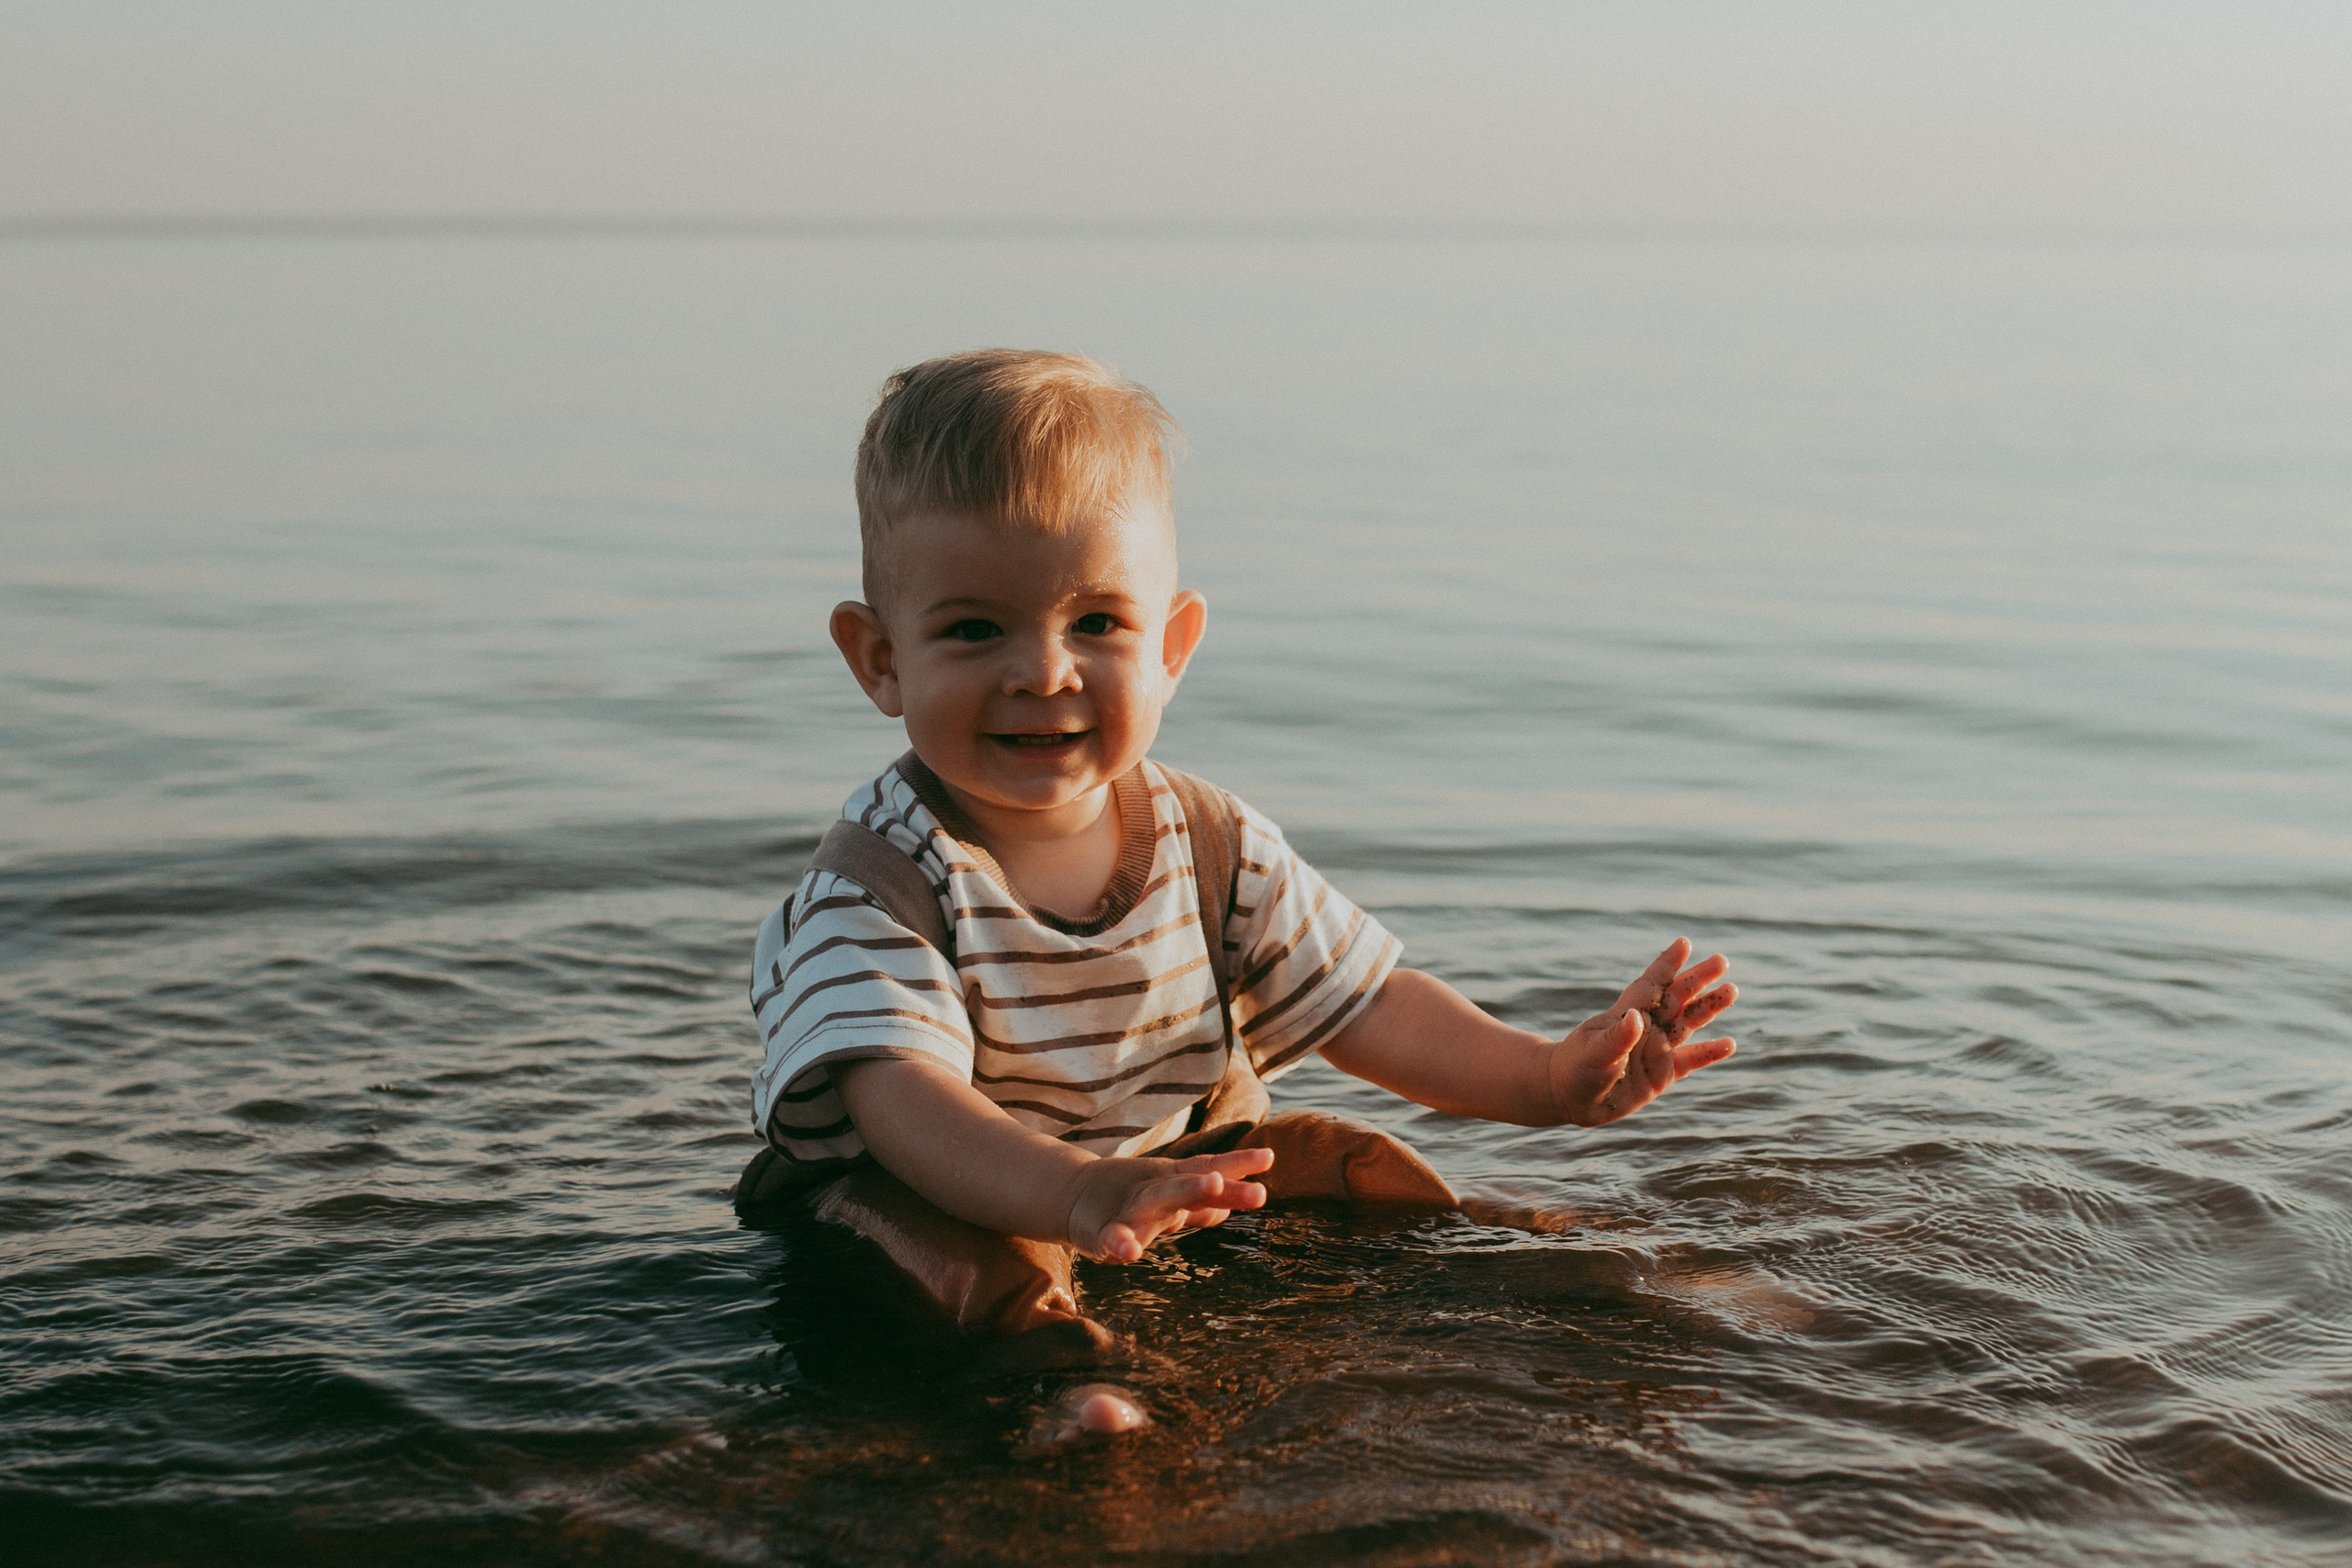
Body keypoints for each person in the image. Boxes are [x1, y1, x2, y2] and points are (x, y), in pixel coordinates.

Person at [741, 349, 1738, 1382]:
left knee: (1351, 1161)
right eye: (975, 629)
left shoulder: (1209, 840)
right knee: (962, 1262)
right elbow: (900, 1099)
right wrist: (1075, 1193)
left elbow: (1368, 1005)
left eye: (1096, 623)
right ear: (881, 659)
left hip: (1165, 1176)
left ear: (1171, 646)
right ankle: (1073, 1387)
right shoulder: (881, 886)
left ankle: (1525, 1260)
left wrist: (1543, 1077)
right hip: (951, 1194)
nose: (1042, 671)